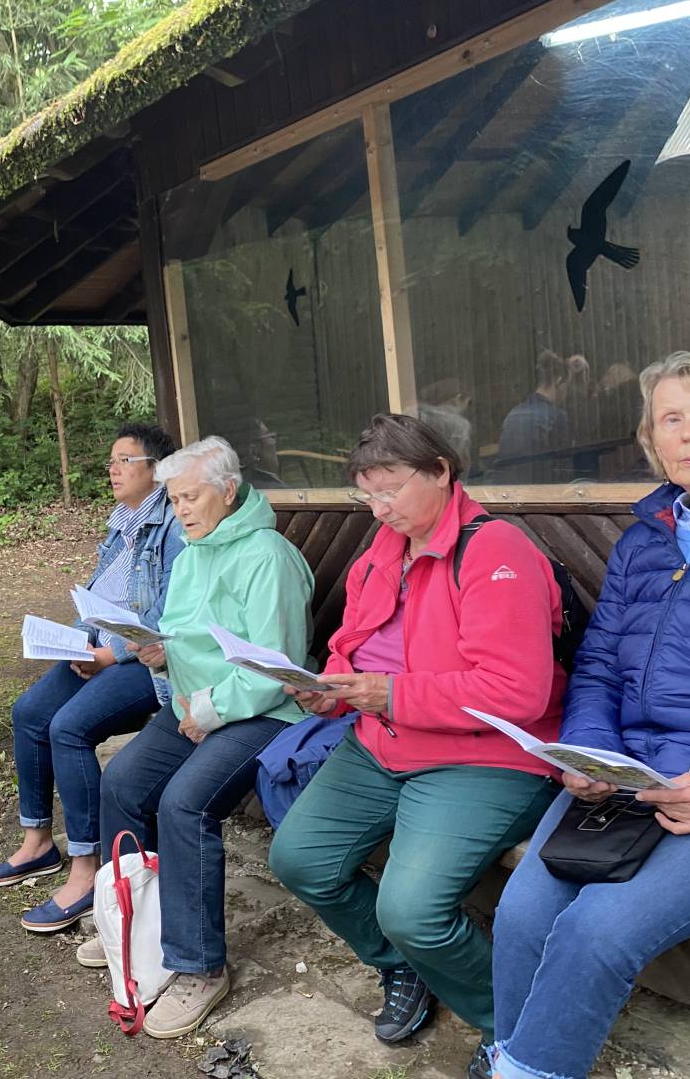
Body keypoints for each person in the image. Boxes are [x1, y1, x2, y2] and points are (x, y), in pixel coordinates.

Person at [490, 352, 690, 1079]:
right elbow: (596, 668)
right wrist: (588, 754)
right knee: (522, 913)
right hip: (630, 783)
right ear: (653, 444)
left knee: (597, 930)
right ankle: (512, 1055)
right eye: (671, 420)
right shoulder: (644, 543)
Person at [267, 413, 565, 1079]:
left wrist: (389, 696)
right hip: (382, 741)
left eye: (392, 488)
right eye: (367, 494)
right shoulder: (383, 547)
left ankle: (508, 1024)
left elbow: (516, 691)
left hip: (482, 758)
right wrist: (331, 691)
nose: (379, 507)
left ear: (441, 471)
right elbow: (353, 643)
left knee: (412, 909)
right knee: (299, 859)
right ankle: (403, 966)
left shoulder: (494, 550)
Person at [75, 435, 314, 1037]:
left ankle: (198, 965)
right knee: (123, 782)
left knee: (185, 803)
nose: (179, 509)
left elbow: (276, 668)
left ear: (228, 492)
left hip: (261, 714)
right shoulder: (191, 550)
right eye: (173, 498)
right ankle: (132, 920)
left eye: (190, 496)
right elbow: (184, 639)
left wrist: (207, 710)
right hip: (193, 708)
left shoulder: (268, 556)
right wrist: (159, 657)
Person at [0, 423, 184, 933]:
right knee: (28, 713)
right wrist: (74, 643)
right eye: (111, 460)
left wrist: (110, 655)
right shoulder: (122, 523)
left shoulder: (175, 526)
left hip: (148, 662)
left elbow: (168, 613)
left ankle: (89, 868)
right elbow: (98, 597)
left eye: (124, 460)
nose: (112, 469)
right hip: (98, 650)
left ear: (156, 471)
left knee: (67, 727)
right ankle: (39, 842)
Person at [494, 350, 589, 482]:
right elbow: (562, 472)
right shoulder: (556, 417)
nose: (566, 393)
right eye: (567, 387)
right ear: (559, 381)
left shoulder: (514, 413)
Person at [416, 378, 473, 473]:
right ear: (457, 399)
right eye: (469, 403)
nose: (467, 408)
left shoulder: (415, 415)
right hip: (448, 476)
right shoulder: (459, 424)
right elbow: (463, 462)